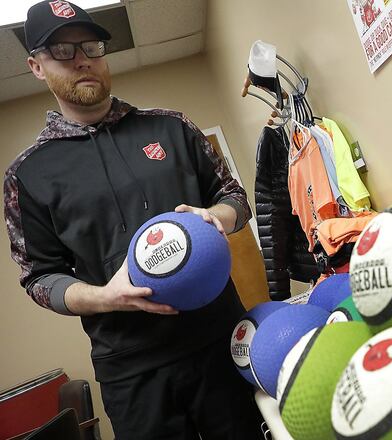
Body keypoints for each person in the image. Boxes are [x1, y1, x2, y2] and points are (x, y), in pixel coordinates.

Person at [4, 2, 265, 438]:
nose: (82, 58)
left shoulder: (172, 127)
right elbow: (39, 279)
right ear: (36, 66)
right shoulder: (27, 174)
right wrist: (105, 297)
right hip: (131, 370)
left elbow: (234, 197)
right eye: (62, 52)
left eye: (90, 45)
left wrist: (217, 215)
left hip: (223, 339)